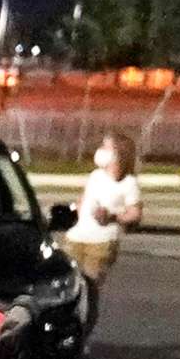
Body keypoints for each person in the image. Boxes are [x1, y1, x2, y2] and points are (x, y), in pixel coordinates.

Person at [63, 131, 142, 330]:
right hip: (76, 237)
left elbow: (135, 214)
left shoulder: (128, 183)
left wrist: (112, 216)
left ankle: (83, 332)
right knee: (66, 288)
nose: (101, 151)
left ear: (118, 154)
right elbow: (83, 200)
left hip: (101, 243)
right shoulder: (96, 176)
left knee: (88, 291)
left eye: (106, 148)